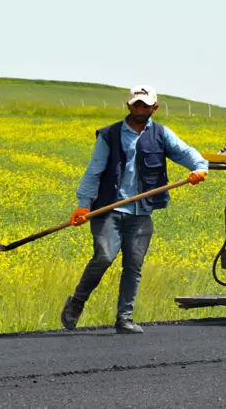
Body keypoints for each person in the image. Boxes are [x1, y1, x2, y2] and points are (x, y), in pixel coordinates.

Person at [60, 84, 209, 334]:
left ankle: (124, 318)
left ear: (154, 108)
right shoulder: (109, 135)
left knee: (133, 265)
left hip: (141, 213)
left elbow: (185, 152)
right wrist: (83, 205)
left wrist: (199, 168)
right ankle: (77, 301)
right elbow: (94, 171)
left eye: (145, 105)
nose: (140, 109)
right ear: (129, 105)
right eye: (136, 104)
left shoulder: (161, 134)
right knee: (104, 257)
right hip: (108, 209)